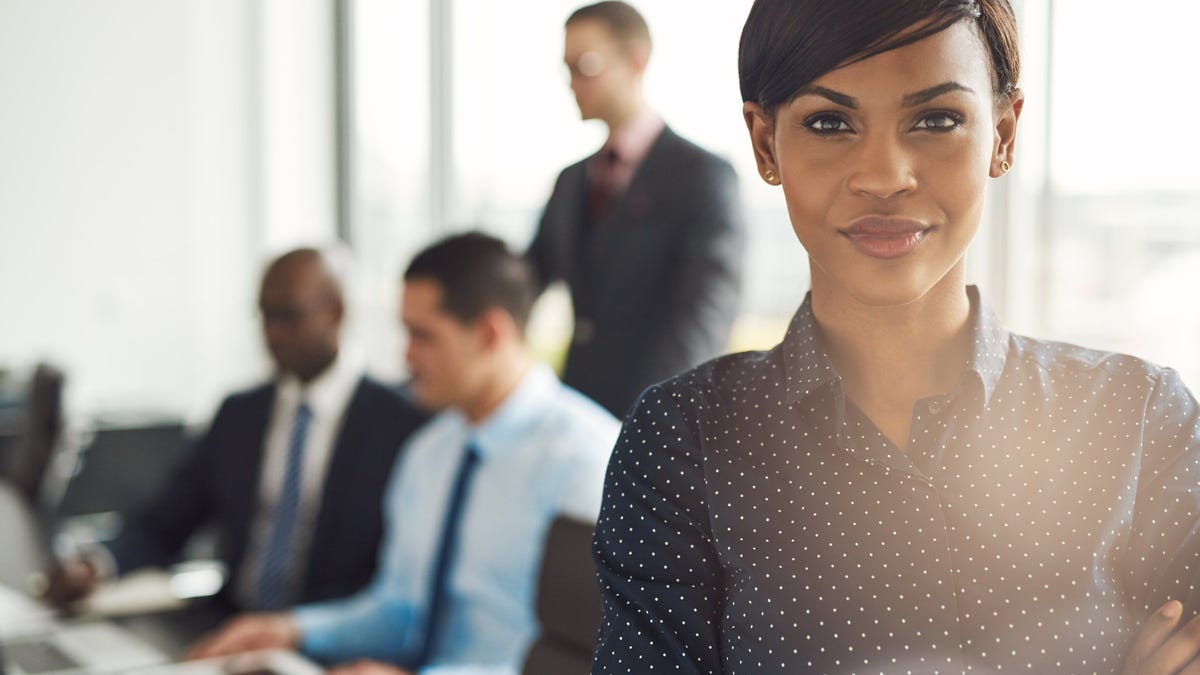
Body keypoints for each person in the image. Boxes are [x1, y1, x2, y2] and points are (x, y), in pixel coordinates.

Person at [590, 2, 1200, 674]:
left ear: (1002, 133)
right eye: (829, 122)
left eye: (937, 119)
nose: (884, 175)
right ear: (766, 144)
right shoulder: (683, 441)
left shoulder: (1139, 420)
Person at [187, 233, 619, 675]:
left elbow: (585, 661)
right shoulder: (429, 452)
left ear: (490, 334)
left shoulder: (590, 464)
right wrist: (294, 630)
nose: (405, 355)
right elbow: (400, 610)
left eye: (422, 336)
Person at [44, 247, 427, 617]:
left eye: (288, 315)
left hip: (328, 642)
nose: (272, 333)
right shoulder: (240, 414)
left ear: (336, 312)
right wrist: (98, 563)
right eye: (264, 315)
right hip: (227, 626)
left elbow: (397, 578)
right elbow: (166, 522)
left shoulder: (401, 423)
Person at [527, 0, 745, 418]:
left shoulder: (701, 175)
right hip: (576, 407)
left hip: (656, 419)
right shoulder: (571, 181)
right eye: (566, 67)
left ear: (636, 61)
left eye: (584, 65)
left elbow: (703, 315)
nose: (572, 82)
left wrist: (658, 420)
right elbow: (525, 280)